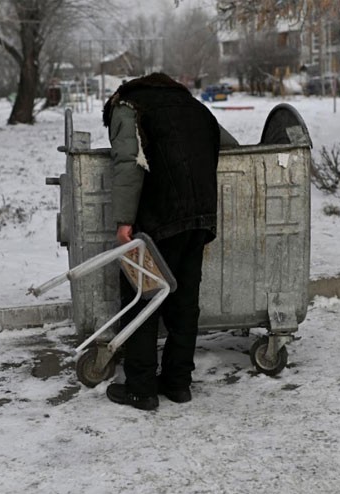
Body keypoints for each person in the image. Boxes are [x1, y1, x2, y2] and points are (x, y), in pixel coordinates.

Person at [101, 73, 238, 411]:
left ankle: (141, 389)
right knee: (184, 303)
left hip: (158, 220)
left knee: (141, 300)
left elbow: (127, 164)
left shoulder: (129, 107)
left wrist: (124, 223)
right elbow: (232, 147)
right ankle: (178, 384)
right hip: (201, 219)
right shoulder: (197, 109)